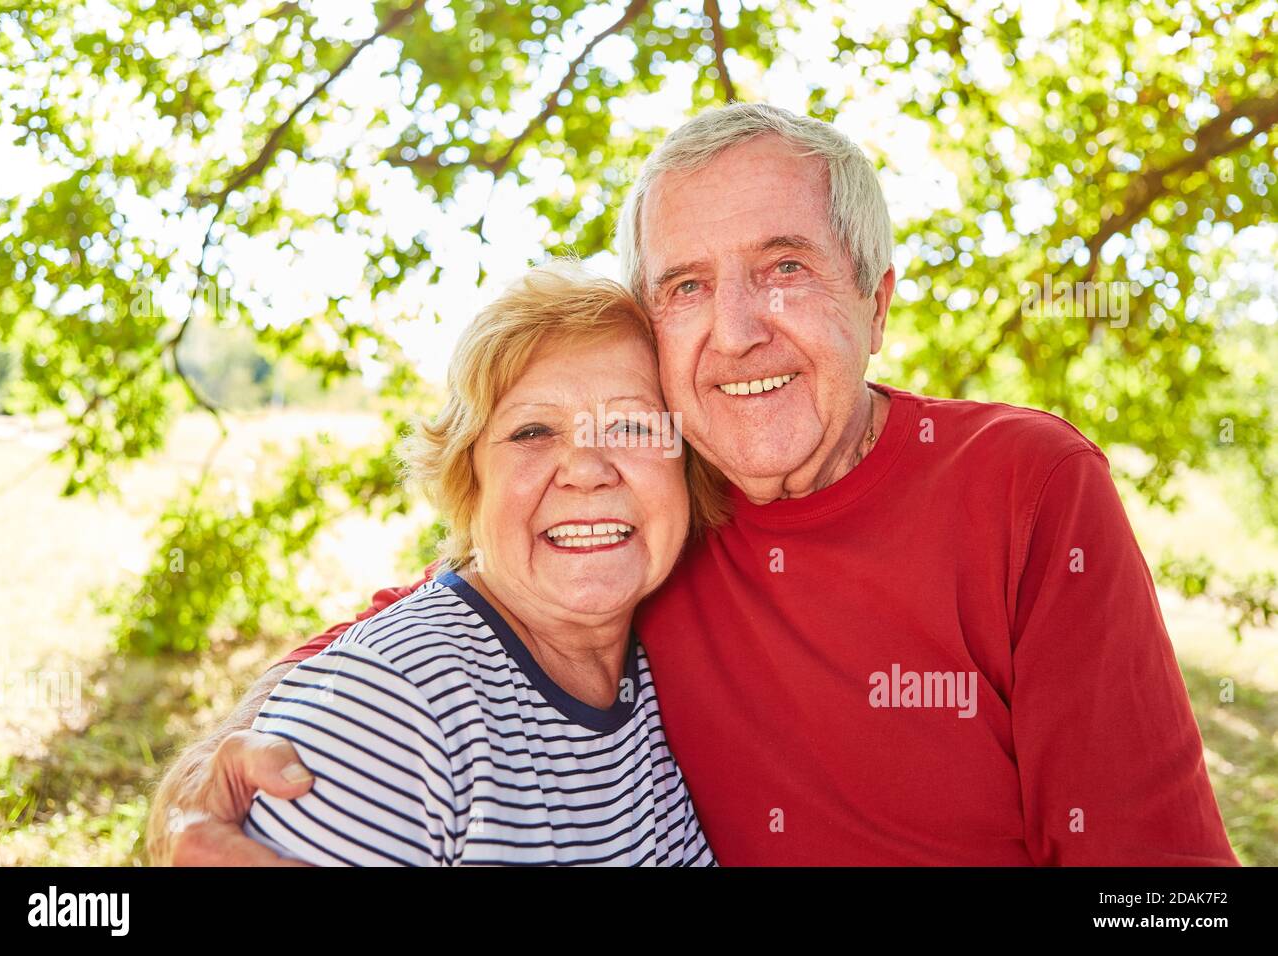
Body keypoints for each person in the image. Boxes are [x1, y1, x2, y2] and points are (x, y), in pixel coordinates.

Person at [149, 103, 1237, 867]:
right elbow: (437, 622)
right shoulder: (659, 509)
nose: (735, 329)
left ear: (878, 300)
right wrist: (202, 772)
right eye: (686, 285)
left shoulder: (1024, 486)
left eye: (784, 268)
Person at [236, 262, 721, 865]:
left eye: (631, 425)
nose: (588, 468)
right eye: (533, 431)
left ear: (686, 468)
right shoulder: (390, 712)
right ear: (470, 479)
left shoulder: (653, 672)